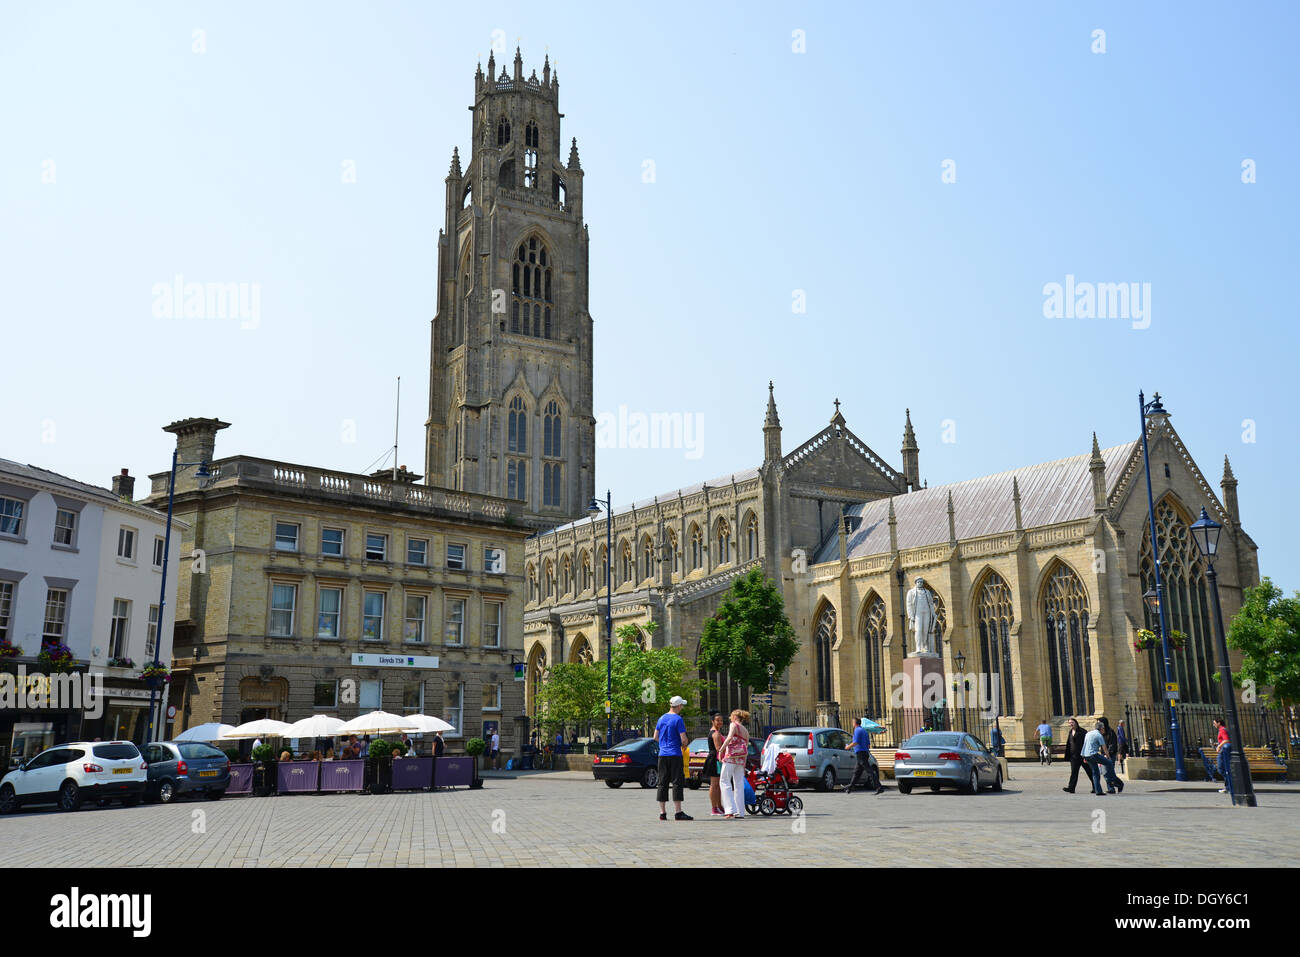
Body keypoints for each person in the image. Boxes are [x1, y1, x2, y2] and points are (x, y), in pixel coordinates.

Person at [652, 695, 693, 821]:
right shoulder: (678, 719)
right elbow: (684, 739)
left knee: (662, 782)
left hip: (662, 754)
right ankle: (678, 812)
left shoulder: (661, 718)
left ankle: (662, 812)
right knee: (677, 782)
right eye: (682, 706)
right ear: (679, 706)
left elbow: (655, 737)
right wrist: (683, 745)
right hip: (675, 754)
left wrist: (663, 745)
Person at [718, 709, 751, 819]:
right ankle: (740, 812)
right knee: (739, 784)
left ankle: (730, 810)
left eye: (731, 716)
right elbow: (746, 747)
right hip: (741, 759)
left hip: (731, 757)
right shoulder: (746, 731)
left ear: (735, 717)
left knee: (724, 780)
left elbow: (729, 737)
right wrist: (744, 763)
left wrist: (721, 750)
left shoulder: (734, 725)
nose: (730, 719)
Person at [844, 717, 884, 794]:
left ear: (855, 723)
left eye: (852, 722)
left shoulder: (857, 730)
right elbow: (868, 745)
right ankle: (850, 787)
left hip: (861, 753)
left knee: (869, 771)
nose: (852, 724)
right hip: (865, 752)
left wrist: (847, 747)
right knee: (857, 772)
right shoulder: (864, 731)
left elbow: (855, 742)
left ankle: (879, 787)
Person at [1083, 720, 1123, 795]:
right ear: (1101, 729)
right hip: (1094, 755)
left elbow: (1084, 745)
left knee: (1095, 773)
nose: (1104, 730)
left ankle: (1098, 791)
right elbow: (1105, 748)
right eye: (1103, 729)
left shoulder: (1088, 733)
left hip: (1087, 755)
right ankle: (1117, 783)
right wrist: (1108, 758)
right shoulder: (1099, 735)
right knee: (1109, 764)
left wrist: (1084, 757)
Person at [705, 711, 725, 816]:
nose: (720, 722)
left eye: (721, 720)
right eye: (717, 720)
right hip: (715, 760)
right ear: (712, 721)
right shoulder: (716, 733)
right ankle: (714, 808)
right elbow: (718, 749)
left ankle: (719, 806)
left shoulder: (716, 732)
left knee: (718, 785)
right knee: (714, 785)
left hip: (716, 759)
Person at [1062, 718, 1088, 793]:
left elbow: (1086, 743)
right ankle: (1071, 788)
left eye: (1072, 722)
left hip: (1082, 756)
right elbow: (1069, 744)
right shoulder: (1070, 732)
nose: (1071, 724)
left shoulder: (1082, 731)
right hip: (1074, 757)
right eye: (1069, 723)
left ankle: (1095, 786)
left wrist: (1086, 755)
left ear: (1076, 723)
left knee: (1089, 771)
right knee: (1074, 772)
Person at [1214, 718, 1233, 794]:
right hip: (1224, 751)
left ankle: (1230, 785)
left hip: (1223, 752)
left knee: (1221, 769)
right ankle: (1228, 786)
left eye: (1214, 723)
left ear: (1219, 723)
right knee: (1224, 769)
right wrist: (1217, 744)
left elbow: (1226, 740)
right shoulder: (1224, 729)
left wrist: (1219, 746)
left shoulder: (1222, 730)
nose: (1214, 725)